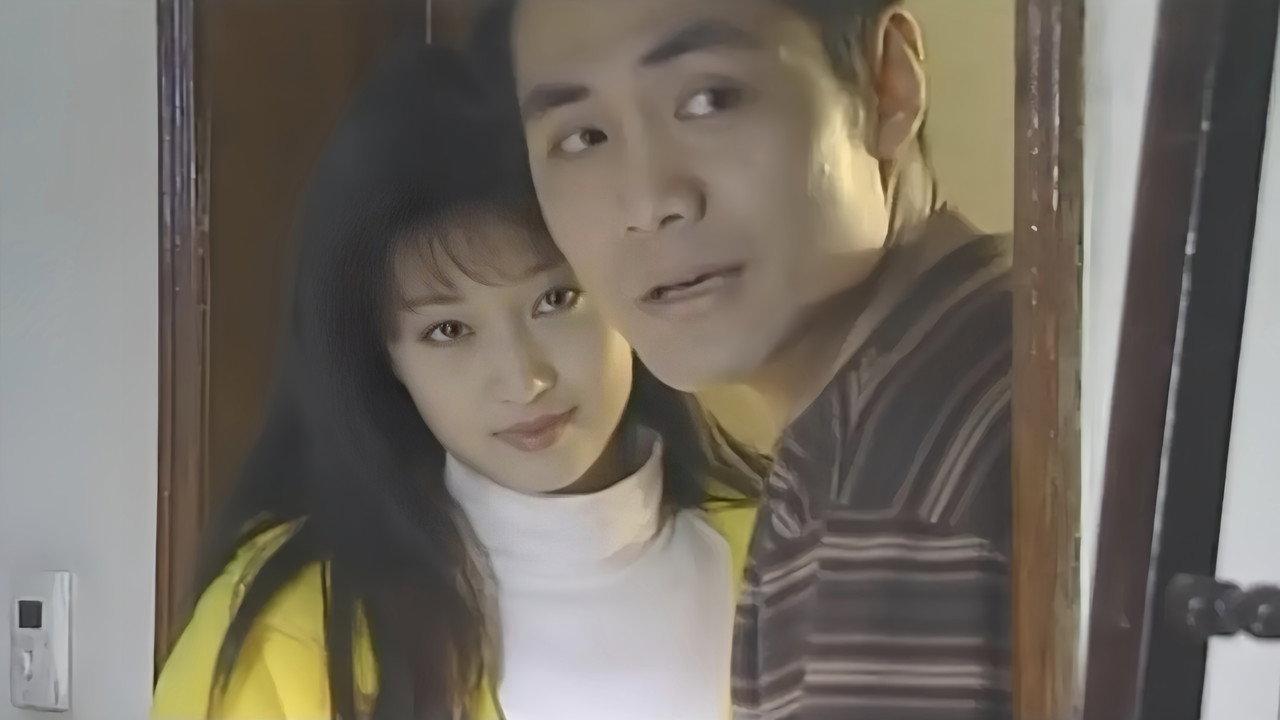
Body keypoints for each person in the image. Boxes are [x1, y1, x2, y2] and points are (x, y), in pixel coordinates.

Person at [151, 42, 763, 720]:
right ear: (386, 356)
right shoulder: (289, 629)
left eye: (556, 300)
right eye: (448, 330)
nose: (524, 379)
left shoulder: (794, 559)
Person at [473, 1, 1013, 717]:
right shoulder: (964, 356)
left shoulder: (906, 486)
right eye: (583, 138)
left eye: (710, 99)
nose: (650, 202)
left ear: (887, 85)